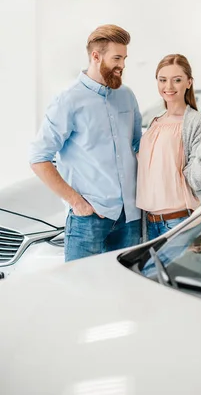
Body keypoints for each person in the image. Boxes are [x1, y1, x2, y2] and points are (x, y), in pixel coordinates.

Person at [29, 24, 142, 262]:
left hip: (129, 219)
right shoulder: (68, 100)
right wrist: (76, 202)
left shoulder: (127, 96)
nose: (122, 65)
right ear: (96, 56)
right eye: (117, 58)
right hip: (88, 220)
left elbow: (138, 146)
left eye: (124, 58)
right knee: (82, 293)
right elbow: (39, 158)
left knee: (124, 292)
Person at [137, 53, 201, 241]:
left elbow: (197, 182)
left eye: (177, 80)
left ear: (189, 82)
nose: (168, 87)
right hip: (149, 222)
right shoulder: (155, 122)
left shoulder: (194, 121)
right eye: (163, 80)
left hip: (177, 221)